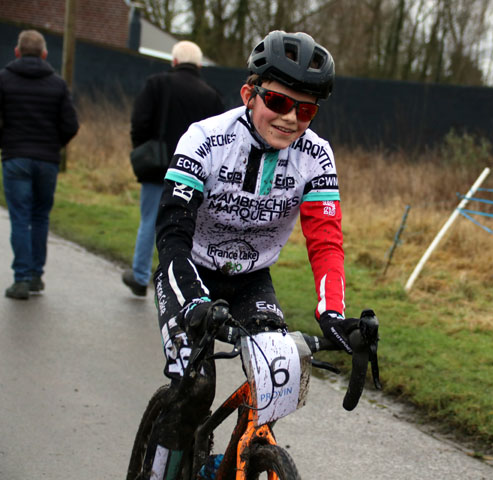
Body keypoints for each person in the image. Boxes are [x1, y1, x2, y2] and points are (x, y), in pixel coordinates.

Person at [141, 30, 356, 480]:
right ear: (249, 94)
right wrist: (195, 304)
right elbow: (173, 233)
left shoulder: (316, 157)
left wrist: (333, 314)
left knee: (277, 380)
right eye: (278, 102)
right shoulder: (205, 139)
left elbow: (326, 241)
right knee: (195, 388)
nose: (291, 118)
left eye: (307, 109)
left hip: (251, 278)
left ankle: (239, 462)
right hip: (190, 272)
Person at [122, 40, 225, 297]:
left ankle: (140, 275)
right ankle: (187, 285)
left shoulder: (156, 84)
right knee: (189, 227)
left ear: (174, 61)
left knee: (150, 221)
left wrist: (144, 150)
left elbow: (139, 123)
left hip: (158, 167)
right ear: (200, 65)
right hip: (196, 175)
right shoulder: (211, 95)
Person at [0, 30, 79, 300]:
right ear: (45, 54)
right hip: (47, 161)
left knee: (20, 217)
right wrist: (53, 145)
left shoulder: (4, 79)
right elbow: (71, 125)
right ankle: (36, 276)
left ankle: (20, 279)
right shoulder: (57, 84)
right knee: (40, 216)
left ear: (17, 51)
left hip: (15, 158)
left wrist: (7, 142)